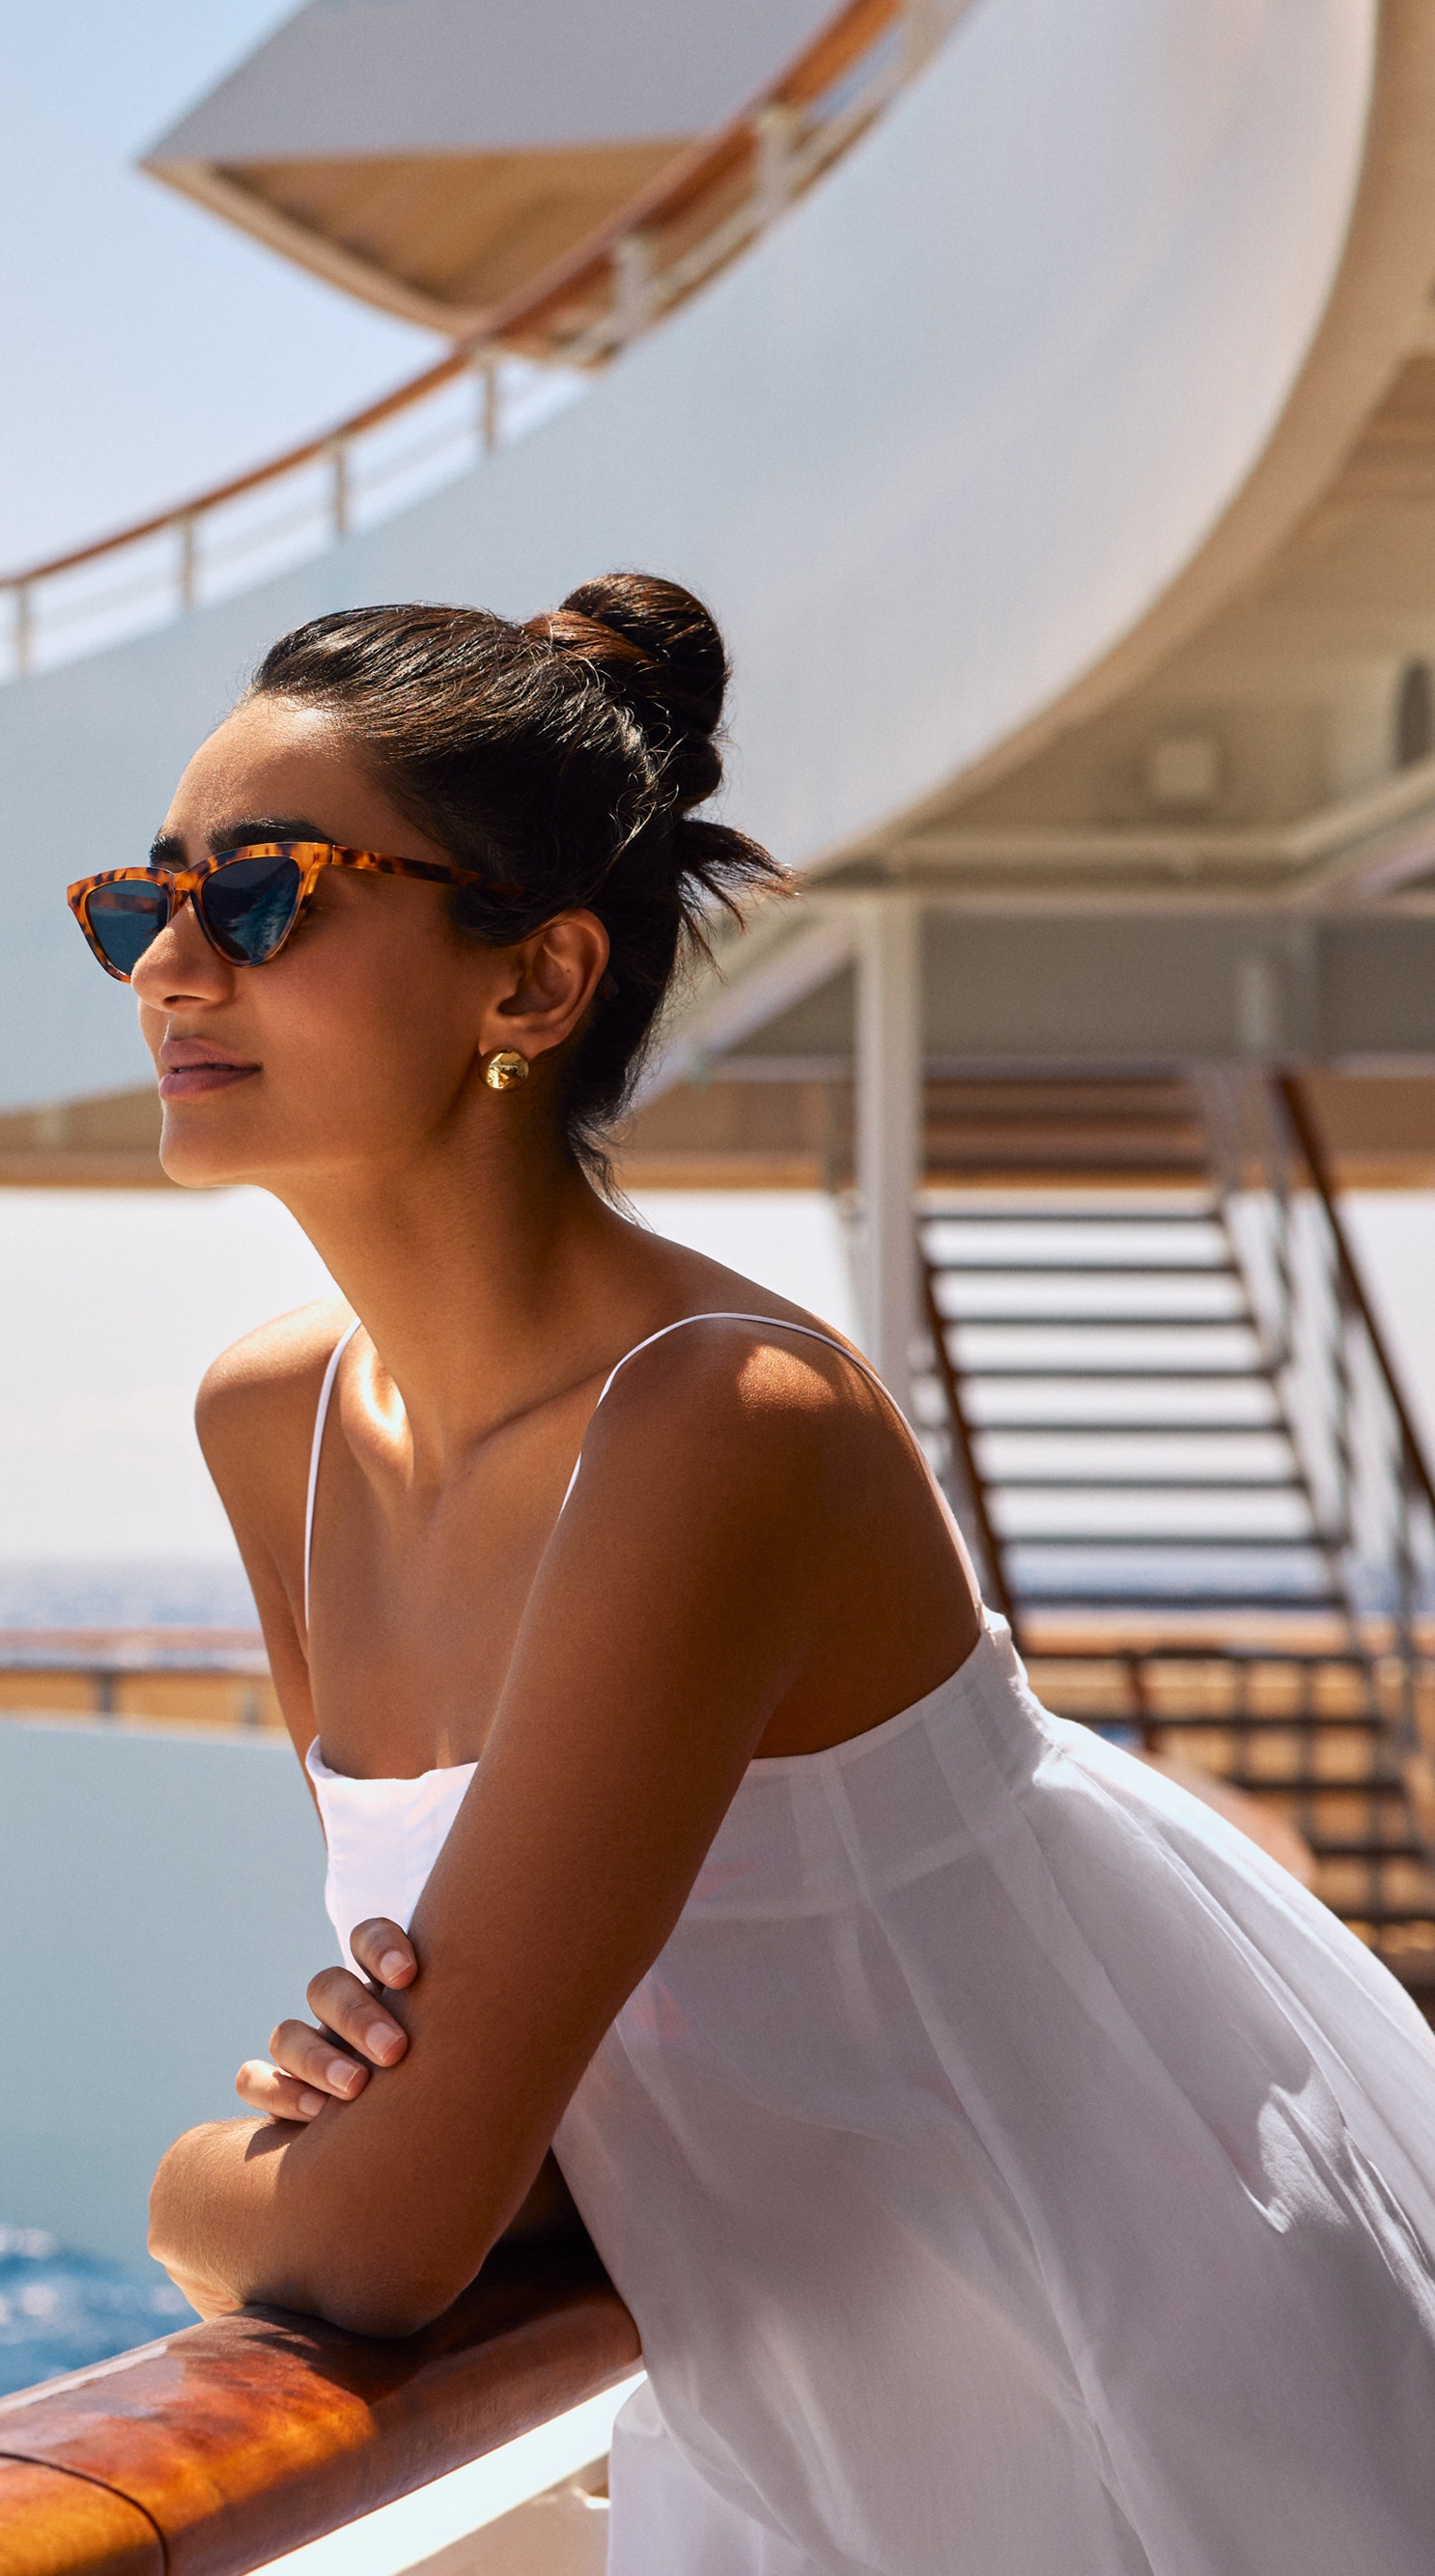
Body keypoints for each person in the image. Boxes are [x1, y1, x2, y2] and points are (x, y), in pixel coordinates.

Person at [100, 574, 1435, 2572]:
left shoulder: (717, 1426)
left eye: (265, 894)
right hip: (781, 2402)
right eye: (141, 900)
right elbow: (514, 2160)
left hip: (1101, 2391)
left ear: (532, 983)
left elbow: (384, 2231)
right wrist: (384, 2149)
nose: (172, 964)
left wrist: (193, 2179)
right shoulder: (270, 1423)